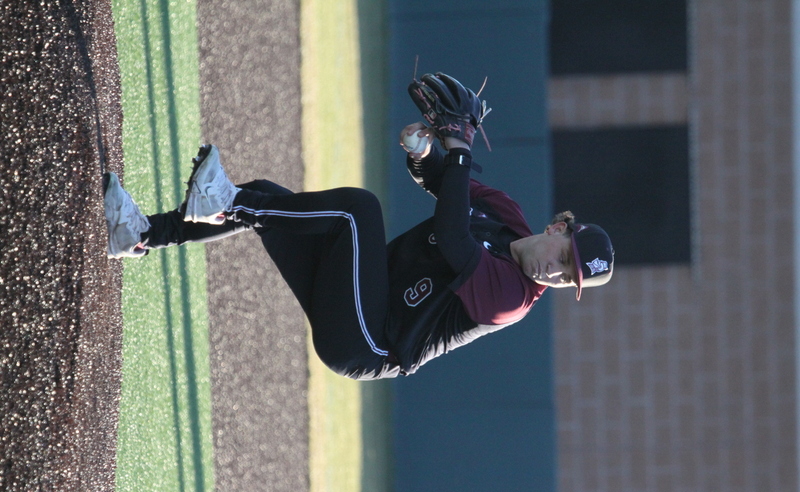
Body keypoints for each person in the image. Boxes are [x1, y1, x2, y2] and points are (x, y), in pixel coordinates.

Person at [104, 74, 614, 380]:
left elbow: (456, 238)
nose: (555, 270)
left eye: (566, 276)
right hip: (355, 294)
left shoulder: (511, 300)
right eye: (564, 256)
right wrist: (425, 153)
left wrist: (460, 148)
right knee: (267, 197)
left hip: (366, 341)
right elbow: (442, 182)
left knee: (357, 212)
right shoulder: (505, 213)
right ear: (560, 226)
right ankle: (142, 234)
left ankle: (227, 201)